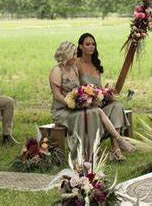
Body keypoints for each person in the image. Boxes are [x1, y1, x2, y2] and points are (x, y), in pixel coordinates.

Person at [49, 41, 135, 161]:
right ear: (66, 55)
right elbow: (57, 96)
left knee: (115, 106)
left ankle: (115, 146)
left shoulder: (74, 68)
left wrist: (94, 96)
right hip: (63, 111)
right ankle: (119, 140)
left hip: (77, 107)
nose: (76, 56)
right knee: (97, 112)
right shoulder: (56, 70)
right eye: (74, 54)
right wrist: (73, 104)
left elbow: (81, 89)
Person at [76, 33, 131, 161]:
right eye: (87, 44)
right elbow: (75, 89)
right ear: (80, 47)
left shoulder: (96, 64)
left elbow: (99, 88)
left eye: (93, 44)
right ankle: (116, 142)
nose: (91, 47)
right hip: (84, 105)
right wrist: (91, 97)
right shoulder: (76, 64)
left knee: (117, 105)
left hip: (97, 102)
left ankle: (115, 146)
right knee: (109, 108)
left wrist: (106, 94)